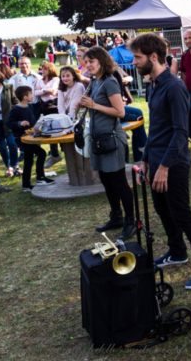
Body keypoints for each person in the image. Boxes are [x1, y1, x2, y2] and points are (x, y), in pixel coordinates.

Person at [130, 33, 191, 289]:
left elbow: (181, 132)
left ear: (153, 57)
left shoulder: (175, 86)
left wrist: (165, 167)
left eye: (137, 57)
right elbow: (155, 128)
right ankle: (177, 251)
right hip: (156, 162)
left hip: (174, 164)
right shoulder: (152, 84)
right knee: (163, 211)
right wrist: (145, 161)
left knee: (182, 214)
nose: (134, 62)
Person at [79, 47, 136, 241]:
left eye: (91, 61)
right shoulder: (95, 82)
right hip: (98, 140)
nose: (88, 65)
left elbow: (120, 112)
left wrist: (93, 105)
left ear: (102, 61)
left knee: (119, 182)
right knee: (106, 180)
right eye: (86, 62)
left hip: (112, 139)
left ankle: (131, 221)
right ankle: (116, 216)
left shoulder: (110, 82)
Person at [6, 86, 56, 192]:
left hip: (30, 138)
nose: (33, 95)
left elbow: (33, 122)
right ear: (25, 97)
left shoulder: (30, 107)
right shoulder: (15, 109)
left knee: (28, 160)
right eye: (31, 94)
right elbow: (9, 124)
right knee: (41, 153)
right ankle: (40, 178)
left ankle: (26, 185)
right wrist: (20, 123)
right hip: (21, 138)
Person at [0, 66, 22, 178]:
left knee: (12, 143)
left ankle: (15, 166)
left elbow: (16, 101)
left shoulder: (8, 87)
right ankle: (8, 168)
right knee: (1, 145)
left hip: (8, 121)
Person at [35, 62, 63, 168]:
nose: (43, 71)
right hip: (45, 108)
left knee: (59, 129)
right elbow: (36, 93)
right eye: (42, 69)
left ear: (50, 70)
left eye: (45, 69)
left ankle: (63, 150)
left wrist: (42, 91)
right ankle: (54, 154)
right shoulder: (40, 80)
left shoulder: (55, 79)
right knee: (49, 130)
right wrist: (46, 90)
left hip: (55, 107)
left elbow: (54, 91)